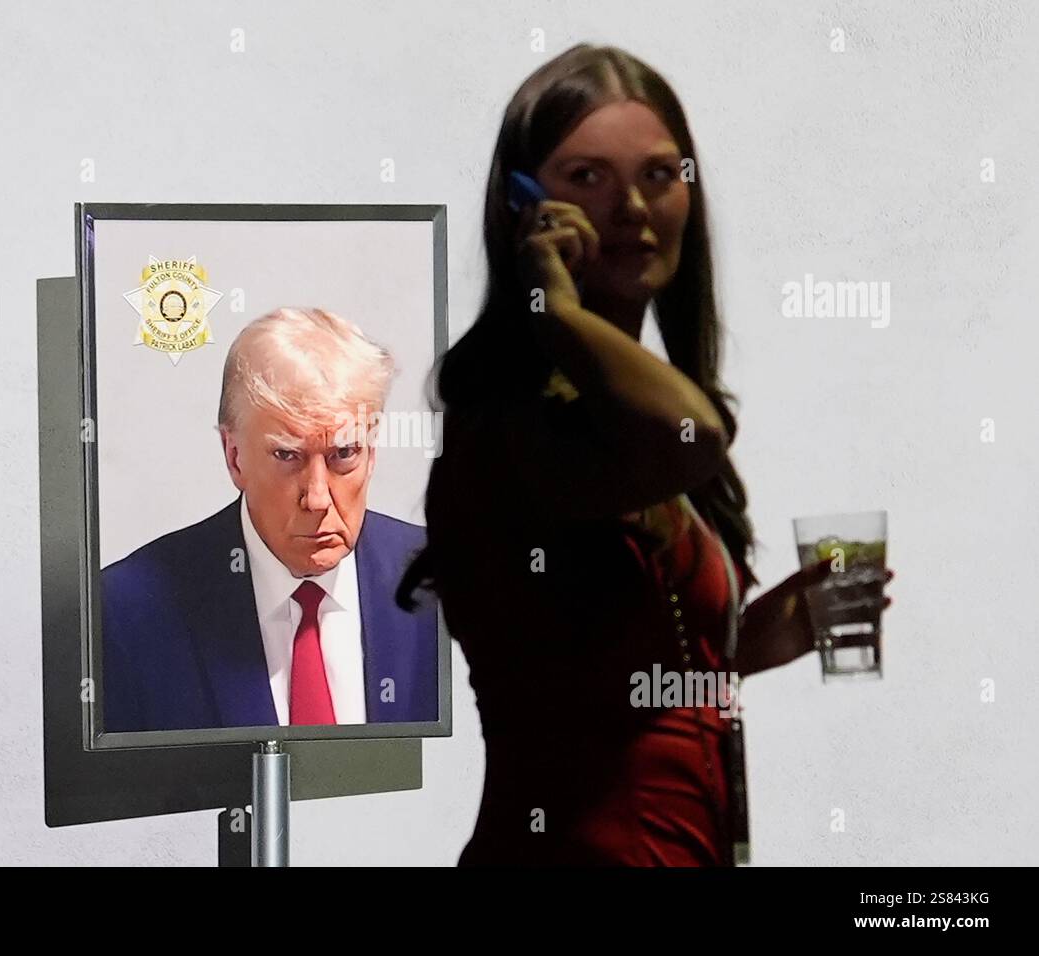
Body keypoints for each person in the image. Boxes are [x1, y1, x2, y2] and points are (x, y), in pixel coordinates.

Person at [396, 44, 894, 865]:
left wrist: (756, 636)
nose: (631, 205)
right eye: (586, 176)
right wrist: (551, 308)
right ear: (523, 204)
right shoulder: (516, 416)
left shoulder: (624, 405)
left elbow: (629, 677)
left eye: (660, 176)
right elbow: (691, 436)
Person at [103, 307, 438, 732]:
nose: (317, 498)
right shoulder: (126, 613)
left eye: (344, 454)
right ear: (234, 456)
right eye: (287, 455)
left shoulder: (447, 581)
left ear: (371, 453)